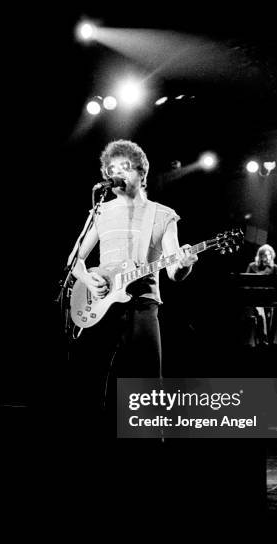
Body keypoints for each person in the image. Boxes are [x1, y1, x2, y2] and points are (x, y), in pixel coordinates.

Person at [70, 139, 198, 415]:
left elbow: (174, 270)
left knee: (146, 387)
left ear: (142, 173)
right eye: (112, 169)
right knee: (88, 383)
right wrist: (89, 280)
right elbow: (74, 261)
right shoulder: (100, 212)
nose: (118, 174)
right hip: (101, 305)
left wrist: (185, 264)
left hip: (142, 304)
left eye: (125, 168)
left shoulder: (163, 215)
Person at [245, 244, 277, 345]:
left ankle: (268, 341)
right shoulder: (252, 266)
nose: (267, 257)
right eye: (265, 255)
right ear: (260, 256)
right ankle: (263, 341)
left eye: (269, 255)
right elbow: (245, 281)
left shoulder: (274, 268)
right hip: (255, 298)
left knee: (270, 319)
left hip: (269, 298)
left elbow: (276, 284)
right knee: (261, 317)